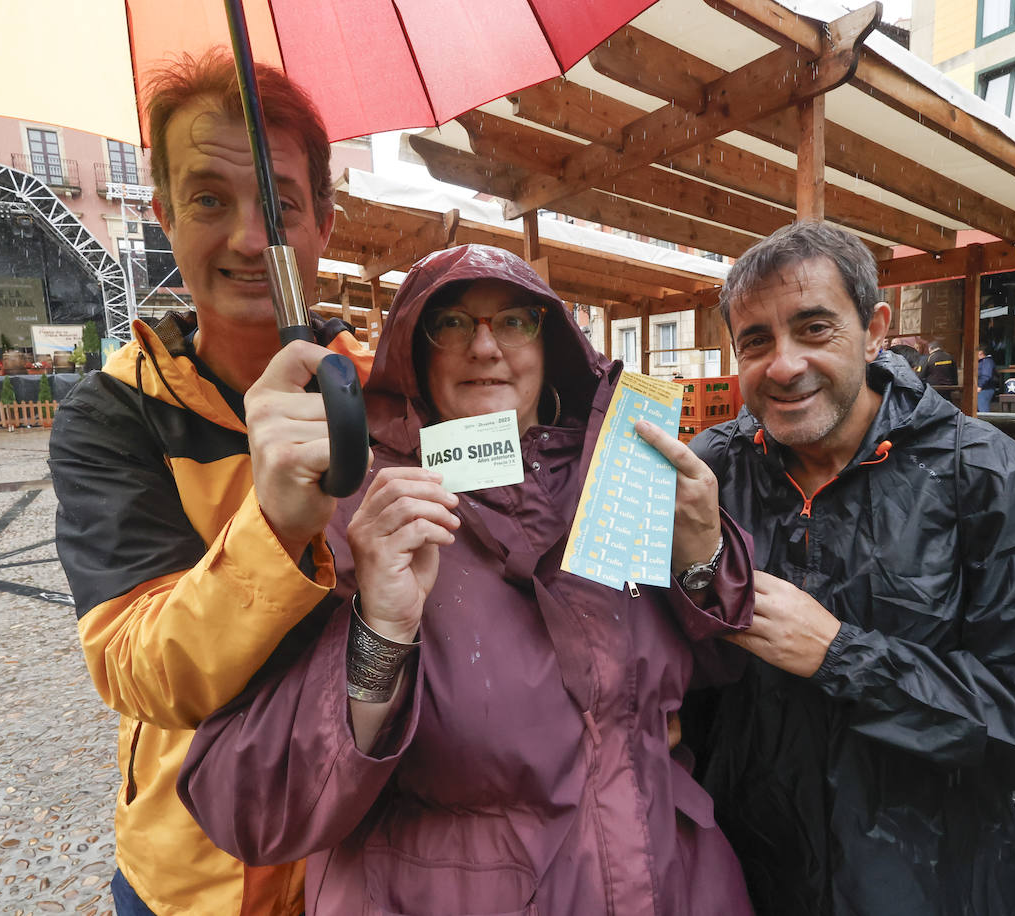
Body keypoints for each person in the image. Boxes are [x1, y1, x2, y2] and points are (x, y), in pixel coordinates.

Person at [178, 244, 756, 915]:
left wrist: (702, 558)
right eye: (451, 323)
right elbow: (251, 802)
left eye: (514, 321)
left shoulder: (627, 473)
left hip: (675, 881)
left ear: (551, 344)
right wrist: (381, 630)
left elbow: (718, 685)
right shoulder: (353, 509)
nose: (485, 348)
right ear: (414, 352)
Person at [685, 222, 1015, 916]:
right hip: (746, 872)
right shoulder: (710, 469)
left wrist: (845, 658)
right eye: (756, 340)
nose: (782, 365)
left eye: (814, 328)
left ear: (873, 331)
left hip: (929, 880)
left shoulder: (977, 472)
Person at [49, 51, 372, 916]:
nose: (247, 239)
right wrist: (273, 527)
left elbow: (521, 472)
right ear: (162, 212)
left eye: (280, 206)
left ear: (324, 226)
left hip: (366, 859)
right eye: (207, 201)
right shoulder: (114, 415)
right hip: (194, 877)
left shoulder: (385, 390)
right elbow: (135, 665)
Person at [976, 346, 997, 412]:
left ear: (981, 353)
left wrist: (980, 386)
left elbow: (986, 375)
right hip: (983, 388)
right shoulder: (984, 362)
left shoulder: (987, 362)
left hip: (985, 389)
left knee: (983, 410)